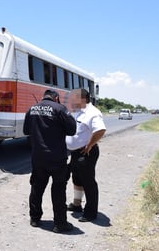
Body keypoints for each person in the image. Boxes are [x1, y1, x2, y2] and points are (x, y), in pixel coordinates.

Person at [23, 89, 76, 233]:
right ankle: (60, 224)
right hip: (57, 158)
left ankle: (34, 218)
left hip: (38, 157)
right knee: (58, 190)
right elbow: (72, 130)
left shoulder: (32, 109)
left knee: (37, 188)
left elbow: (26, 131)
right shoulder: (60, 109)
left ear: (43, 97)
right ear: (56, 98)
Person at [66, 88, 106, 222]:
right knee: (77, 179)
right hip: (75, 152)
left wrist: (90, 145)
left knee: (88, 182)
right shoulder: (77, 110)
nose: (70, 99)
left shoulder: (92, 112)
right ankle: (77, 205)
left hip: (86, 152)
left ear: (82, 98)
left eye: (73, 97)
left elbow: (100, 130)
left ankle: (90, 212)